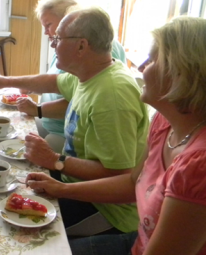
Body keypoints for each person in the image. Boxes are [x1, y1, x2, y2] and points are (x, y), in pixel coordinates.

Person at [26, 16, 206, 255]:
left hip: (119, 221)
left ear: (181, 73)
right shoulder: (165, 122)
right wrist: (61, 189)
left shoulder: (198, 166)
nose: (141, 68)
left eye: (152, 60)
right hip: (139, 235)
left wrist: (57, 163)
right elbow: (133, 182)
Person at [0, 7, 149, 237]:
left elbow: (118, 175)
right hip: (74, 182)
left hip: (107, 210)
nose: (52, 44)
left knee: (12, 231)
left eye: (58, 38)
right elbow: (51, 82)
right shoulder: (90, 72)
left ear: (81, 46)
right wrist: (2, 80)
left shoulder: (112, 95)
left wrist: (55, 161)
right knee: (5, 191)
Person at [18, 0, 128, 153]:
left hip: (66, 133)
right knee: (17, 134)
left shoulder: (101, 50)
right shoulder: (65, 44)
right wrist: (29, 87)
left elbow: (81, 102)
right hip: (49, 121)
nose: (46, 33)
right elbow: (57, 81)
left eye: (48, 25)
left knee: (25, 152)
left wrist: (38, 109)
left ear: (67, 19)